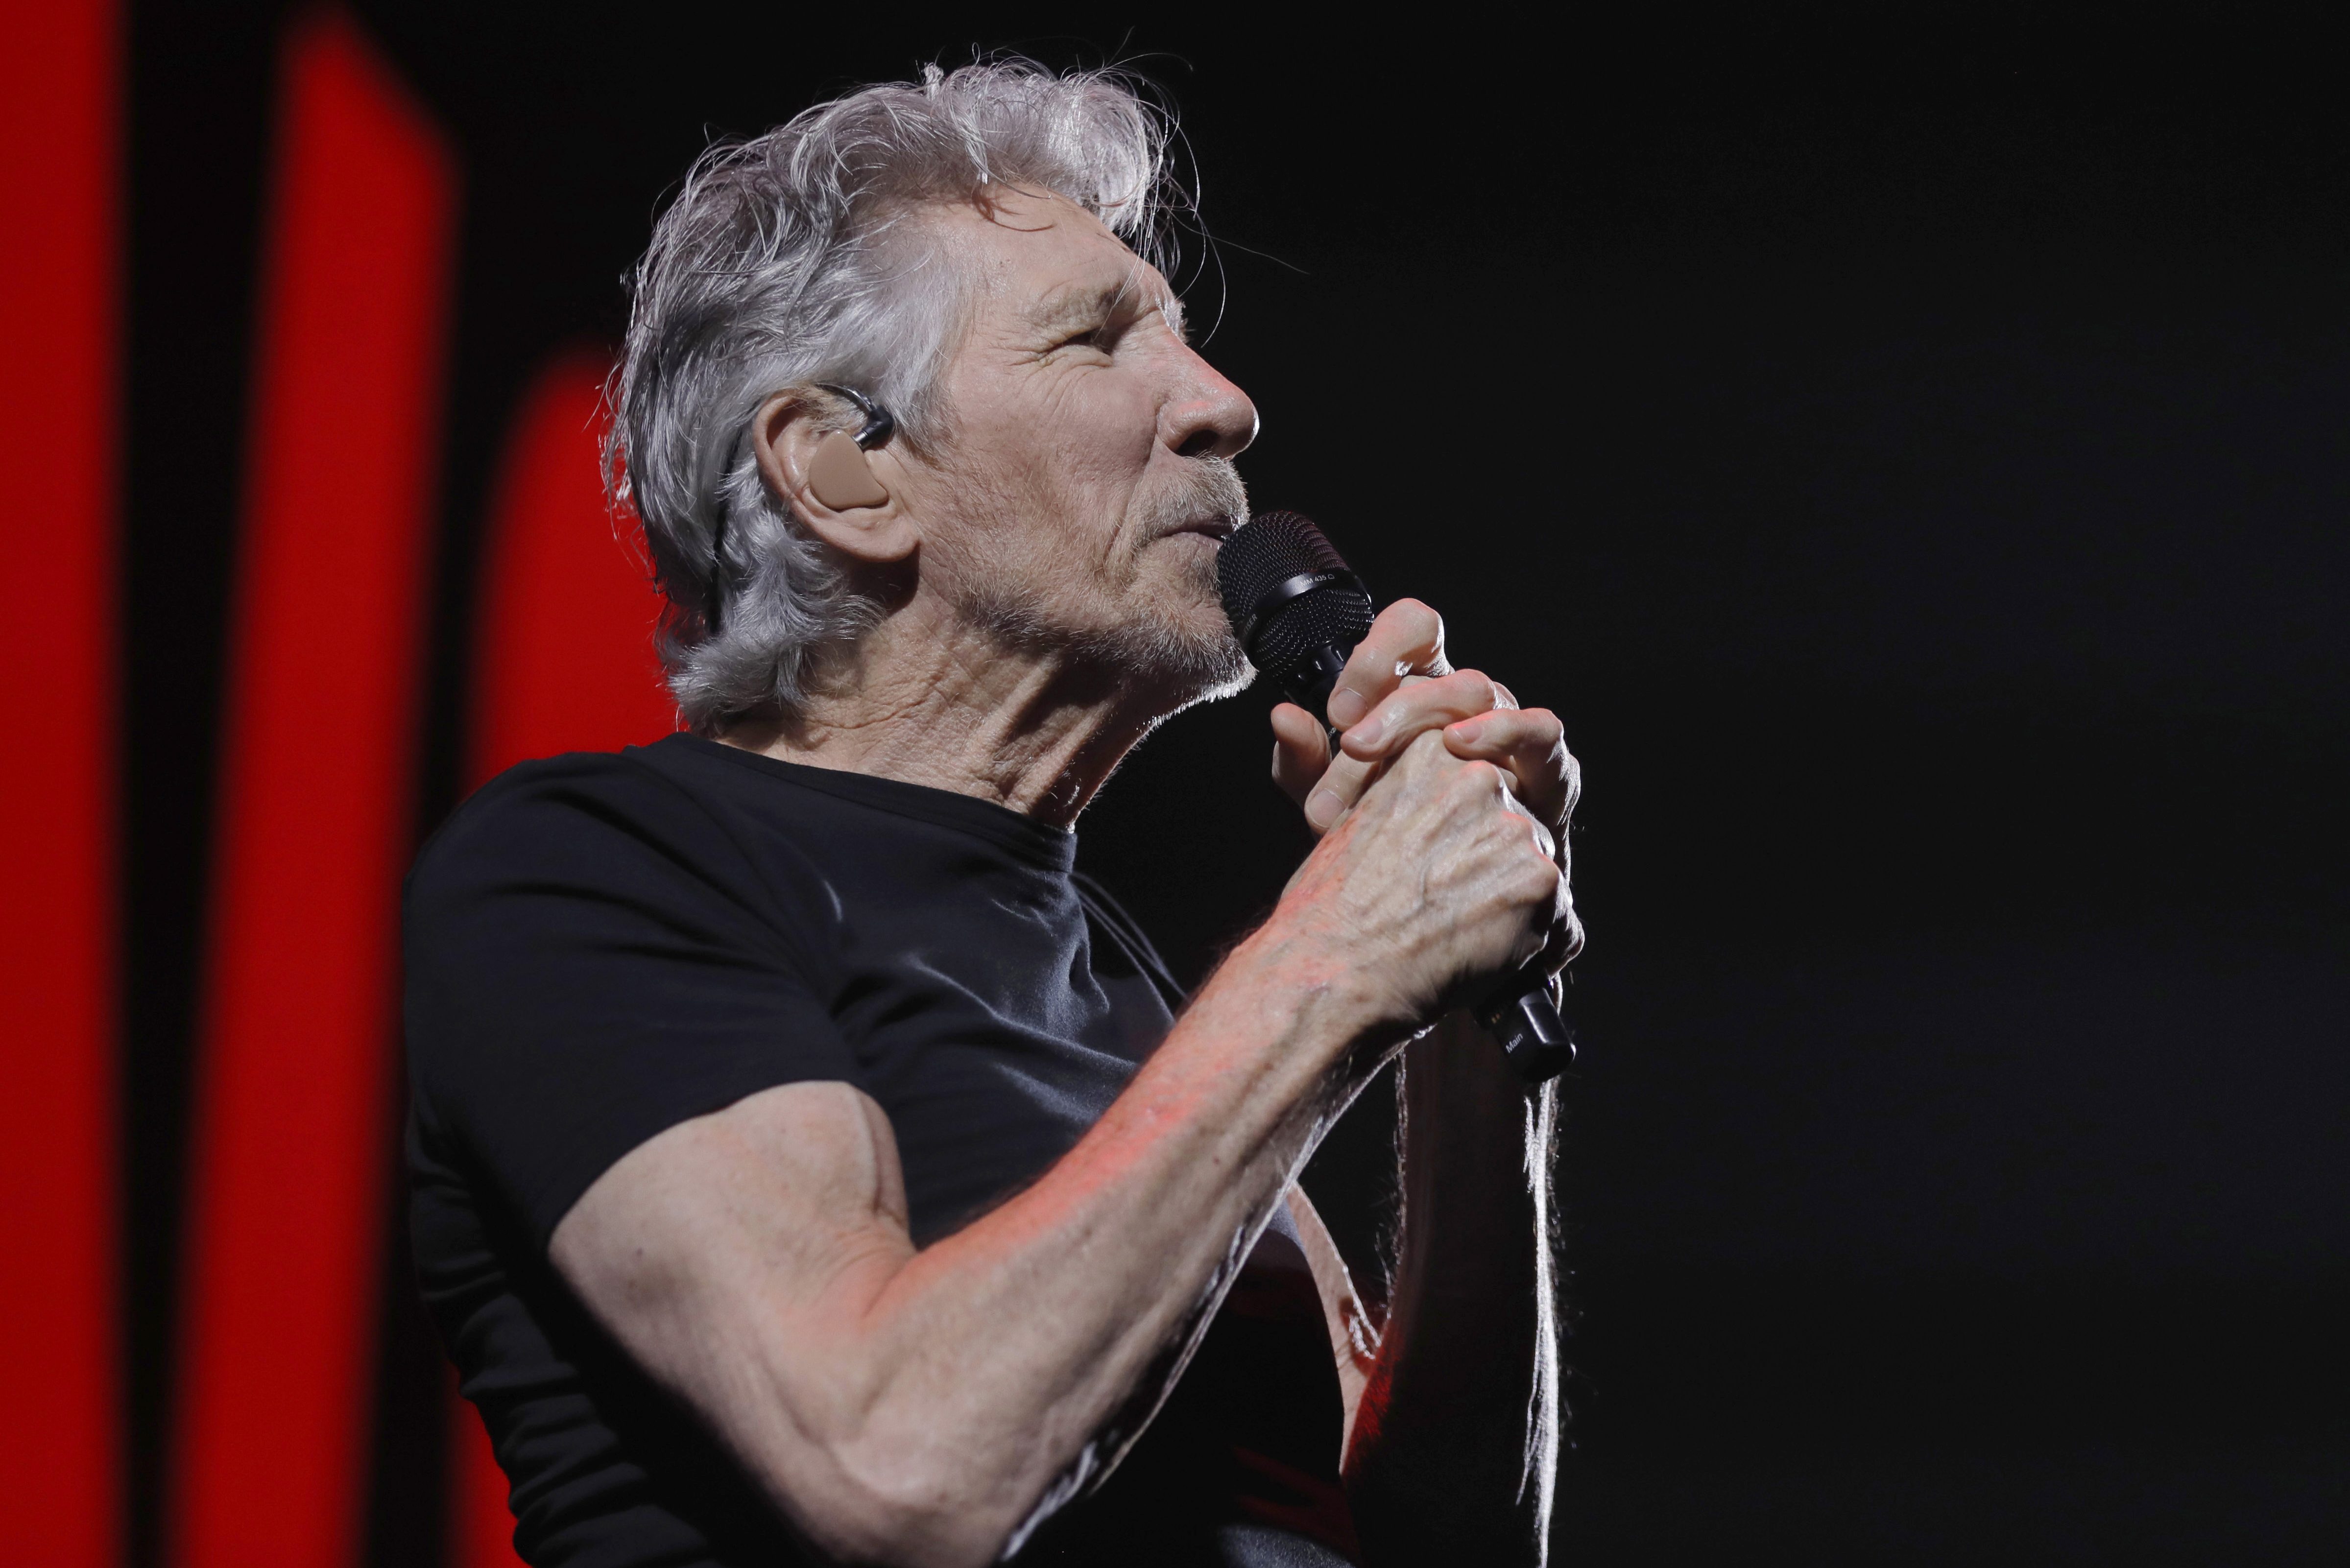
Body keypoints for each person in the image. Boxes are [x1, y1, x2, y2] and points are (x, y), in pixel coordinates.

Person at [405, 60, 1581, 1568]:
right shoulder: (591, 877)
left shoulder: (1131, 991)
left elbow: (1444, 1538)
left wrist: (1480, 1006)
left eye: (1185, 337)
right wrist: (1340, 962)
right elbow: (898, 1466)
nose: (1224, 403)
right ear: (842, 469)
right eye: (1099, 340)